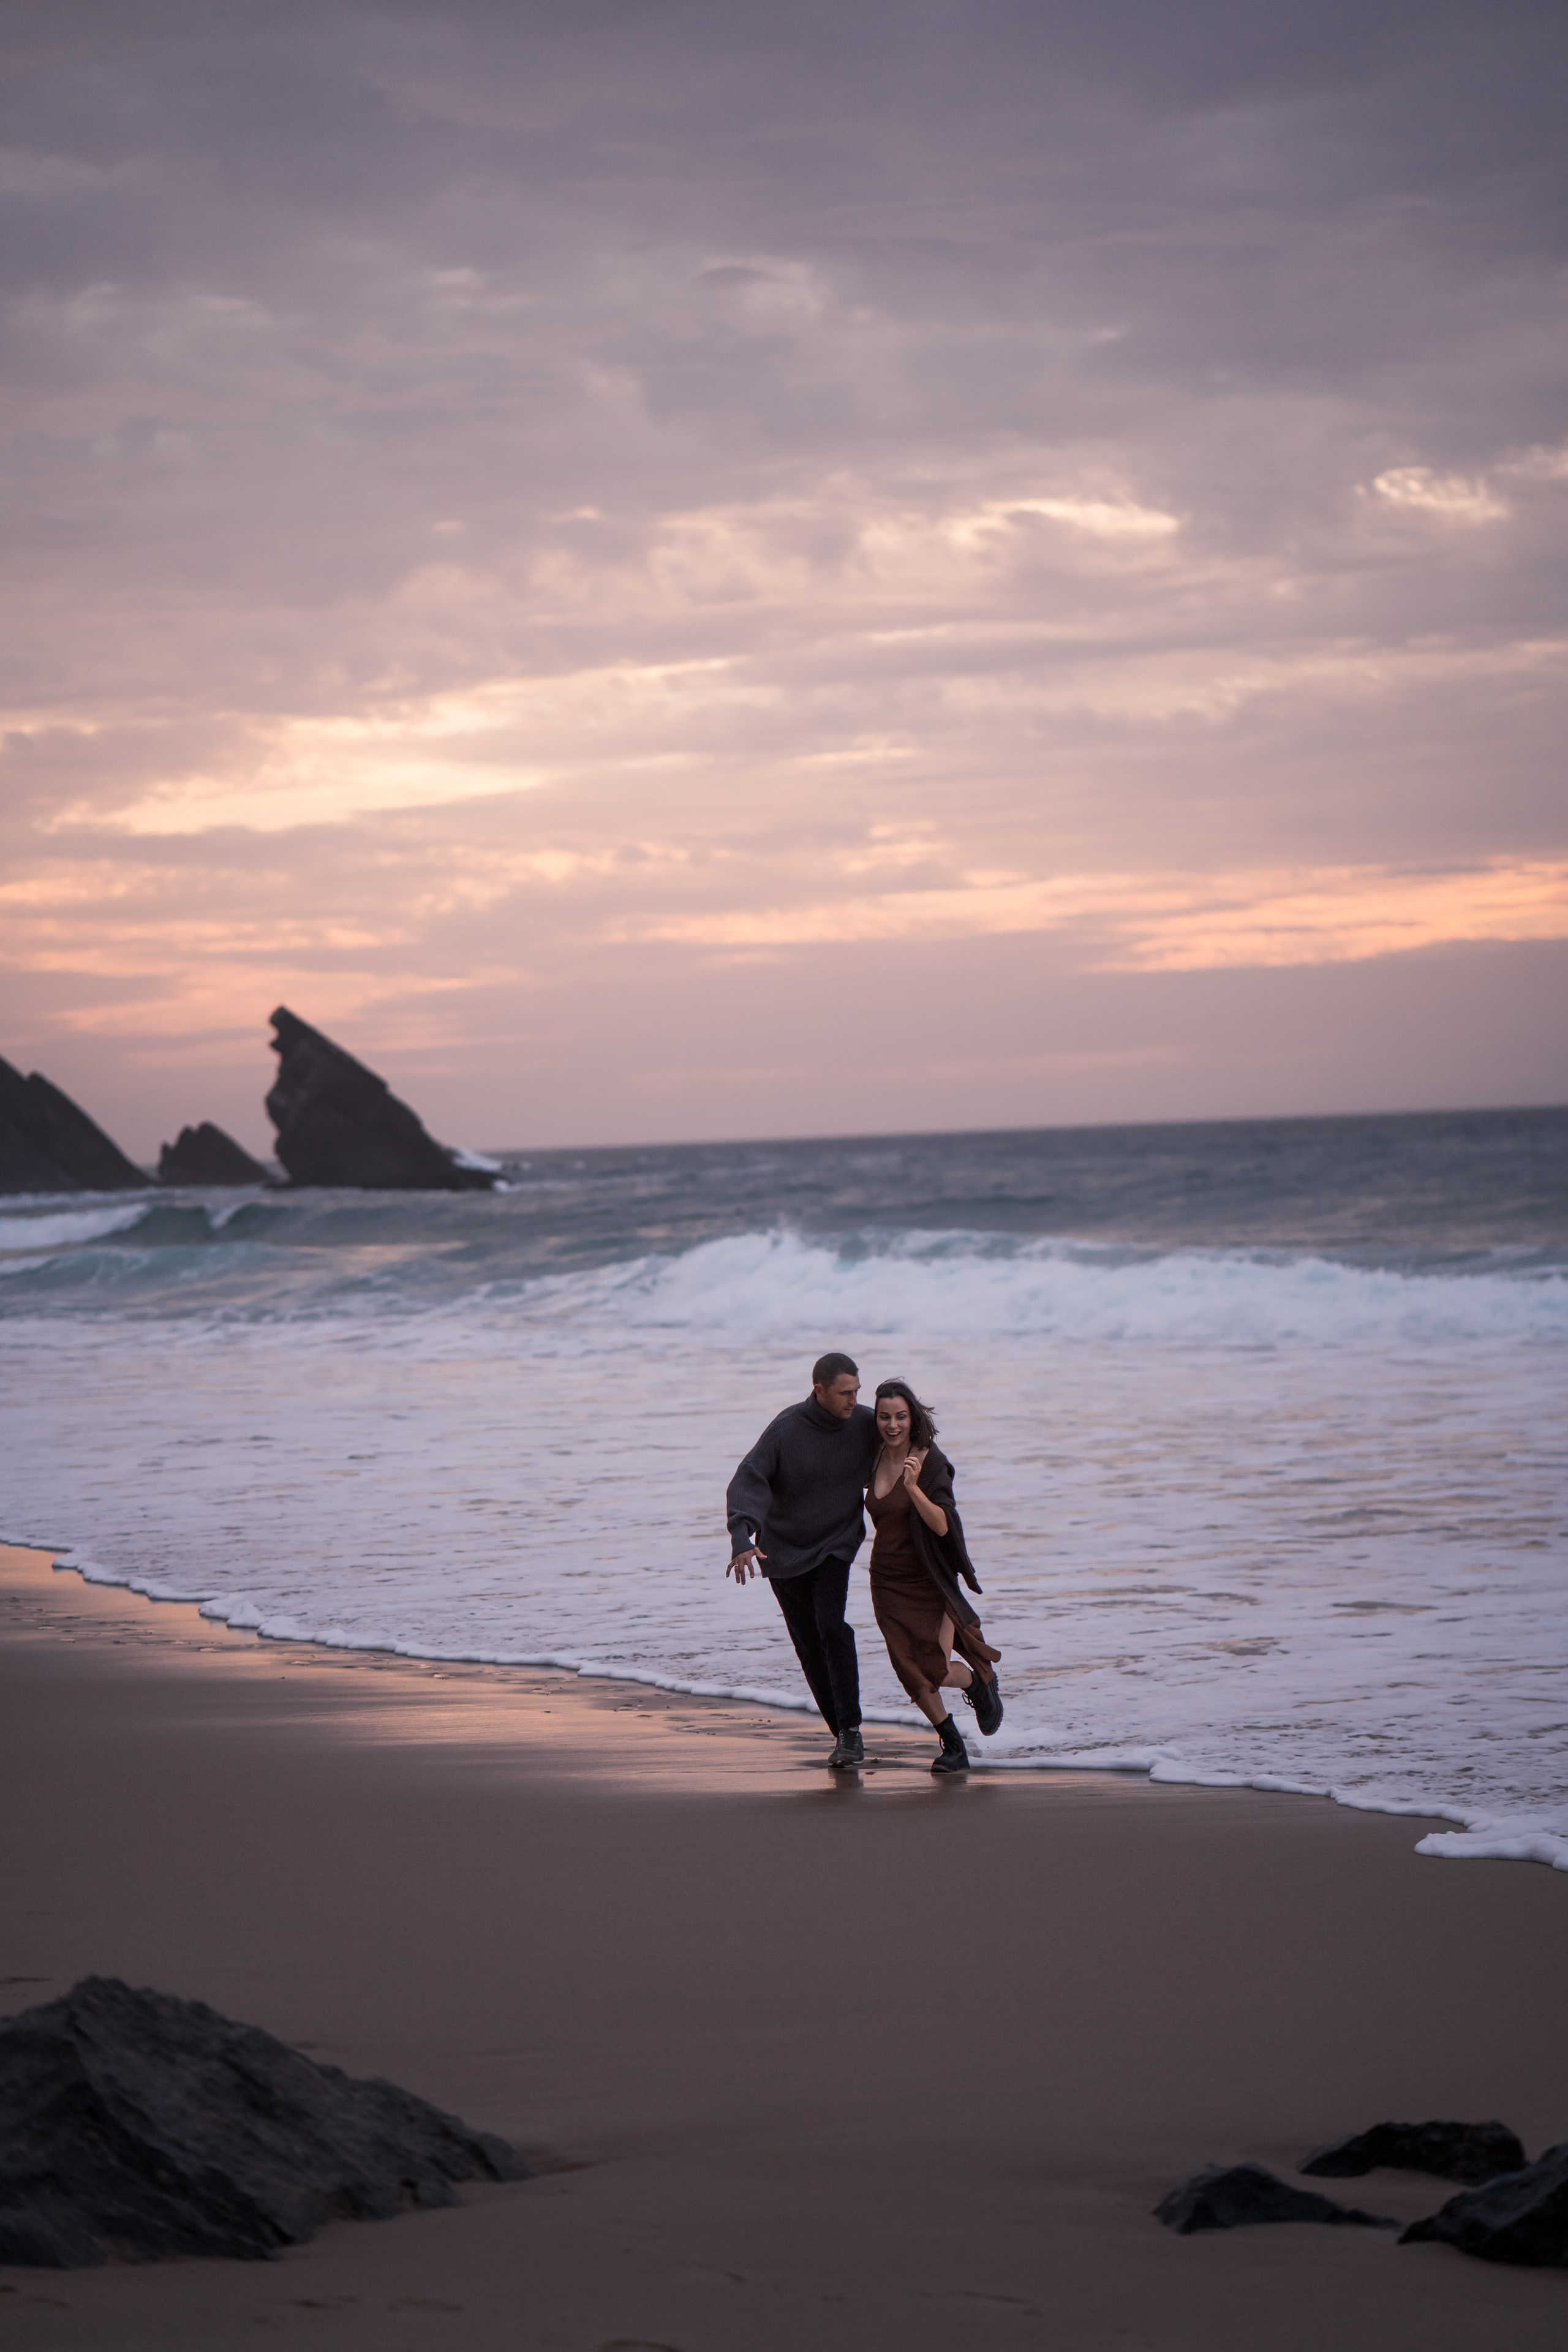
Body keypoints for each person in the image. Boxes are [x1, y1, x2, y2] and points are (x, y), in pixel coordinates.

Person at [726, 1351, 880, 1768]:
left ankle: (851, 1729)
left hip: (836, 1542)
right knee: (809, 1644)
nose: (853, 1400)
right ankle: (842, 1736)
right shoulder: (787, 1430)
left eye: (856, 1392)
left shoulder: (866, 1425)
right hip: (784, 1549)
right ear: (819, 1390)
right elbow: (748, 1479)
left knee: (831, 1625)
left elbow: (911, 1438)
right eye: (844, 1393)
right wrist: (742, 1537)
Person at [864, 1378, 1003, 1775]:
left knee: (935, 1670)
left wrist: (913, 1487)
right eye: (884, 1417)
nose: (892, 1425)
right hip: (886, 1580)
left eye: (901, 1417)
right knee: (909, 1670)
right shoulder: (871, 1456)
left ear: (913, 1417)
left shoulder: (930, 1461)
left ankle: (978, 1684)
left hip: (928, 1579)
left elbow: (944, 1525)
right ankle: (953, 1745)